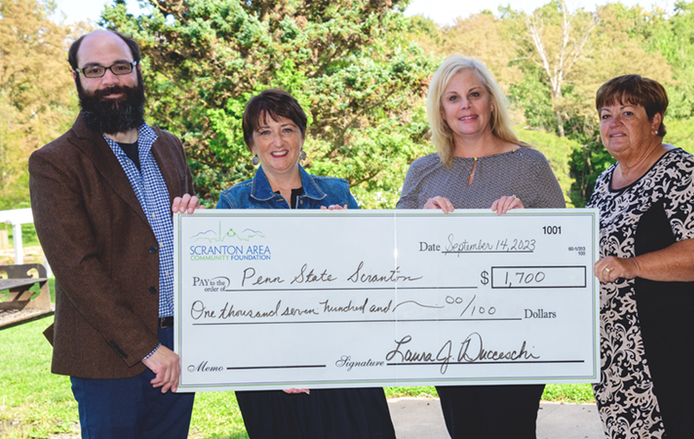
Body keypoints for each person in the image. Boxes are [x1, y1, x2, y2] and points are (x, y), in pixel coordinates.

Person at [29, 30, 200, 438]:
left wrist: (195, 226)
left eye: (120, 67)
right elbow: (77, 269)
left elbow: (182, 242)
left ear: (138, 73)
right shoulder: (54, 162)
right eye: (94, 70)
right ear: (78, 79)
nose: (109, 80)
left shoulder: (169, 145)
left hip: (179, 342)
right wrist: (147, 349)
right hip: (108, 355)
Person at [396, 55, 565, 438]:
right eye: (453, 98)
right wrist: (418, 222)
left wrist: (532, 224)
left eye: (474, 94)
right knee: (465, 430)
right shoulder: (422, 171)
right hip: (446, 335)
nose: (465, 105)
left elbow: (564, 246)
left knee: (513, 430)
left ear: (490, 100)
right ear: (441, 110)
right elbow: (396, 254)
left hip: (517, 333)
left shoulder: (530, 164)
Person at [587, 74, 694, 438]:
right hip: (623, 354)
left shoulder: (685, 173)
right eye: (605, 115)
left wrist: (633, 266)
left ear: (655, 121)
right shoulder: (604, 183)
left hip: (682, 348)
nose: (613, 123)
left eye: (627, 113)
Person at [215, 88, 396, 439]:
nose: (277, 141)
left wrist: (351, 236)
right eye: (264, 132)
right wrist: (274, 365)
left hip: (342, 361)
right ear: (251, 144)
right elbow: (228, 297)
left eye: (287, 128)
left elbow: (369, 281)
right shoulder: (233, 203)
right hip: (269, 370)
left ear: (302, 136)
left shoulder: (337, 194)